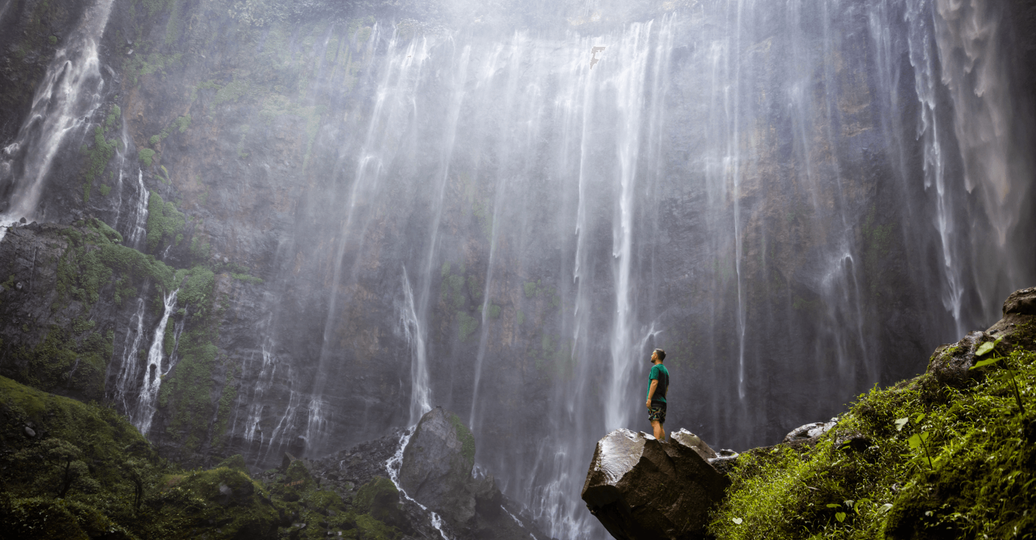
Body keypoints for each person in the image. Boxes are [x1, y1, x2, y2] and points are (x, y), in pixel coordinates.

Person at [645, 348, 669, 442]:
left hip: (655, 400)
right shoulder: (665, 370)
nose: (651, 356)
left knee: (655, 423)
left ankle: (657, 447)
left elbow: (654, 382)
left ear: (656, 355)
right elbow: (666, 387)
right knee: (660, 424)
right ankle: (663, 446)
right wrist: (663, 397)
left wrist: (649, 399)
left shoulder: (655, 368)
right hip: (662, 401)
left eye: (652, 354)